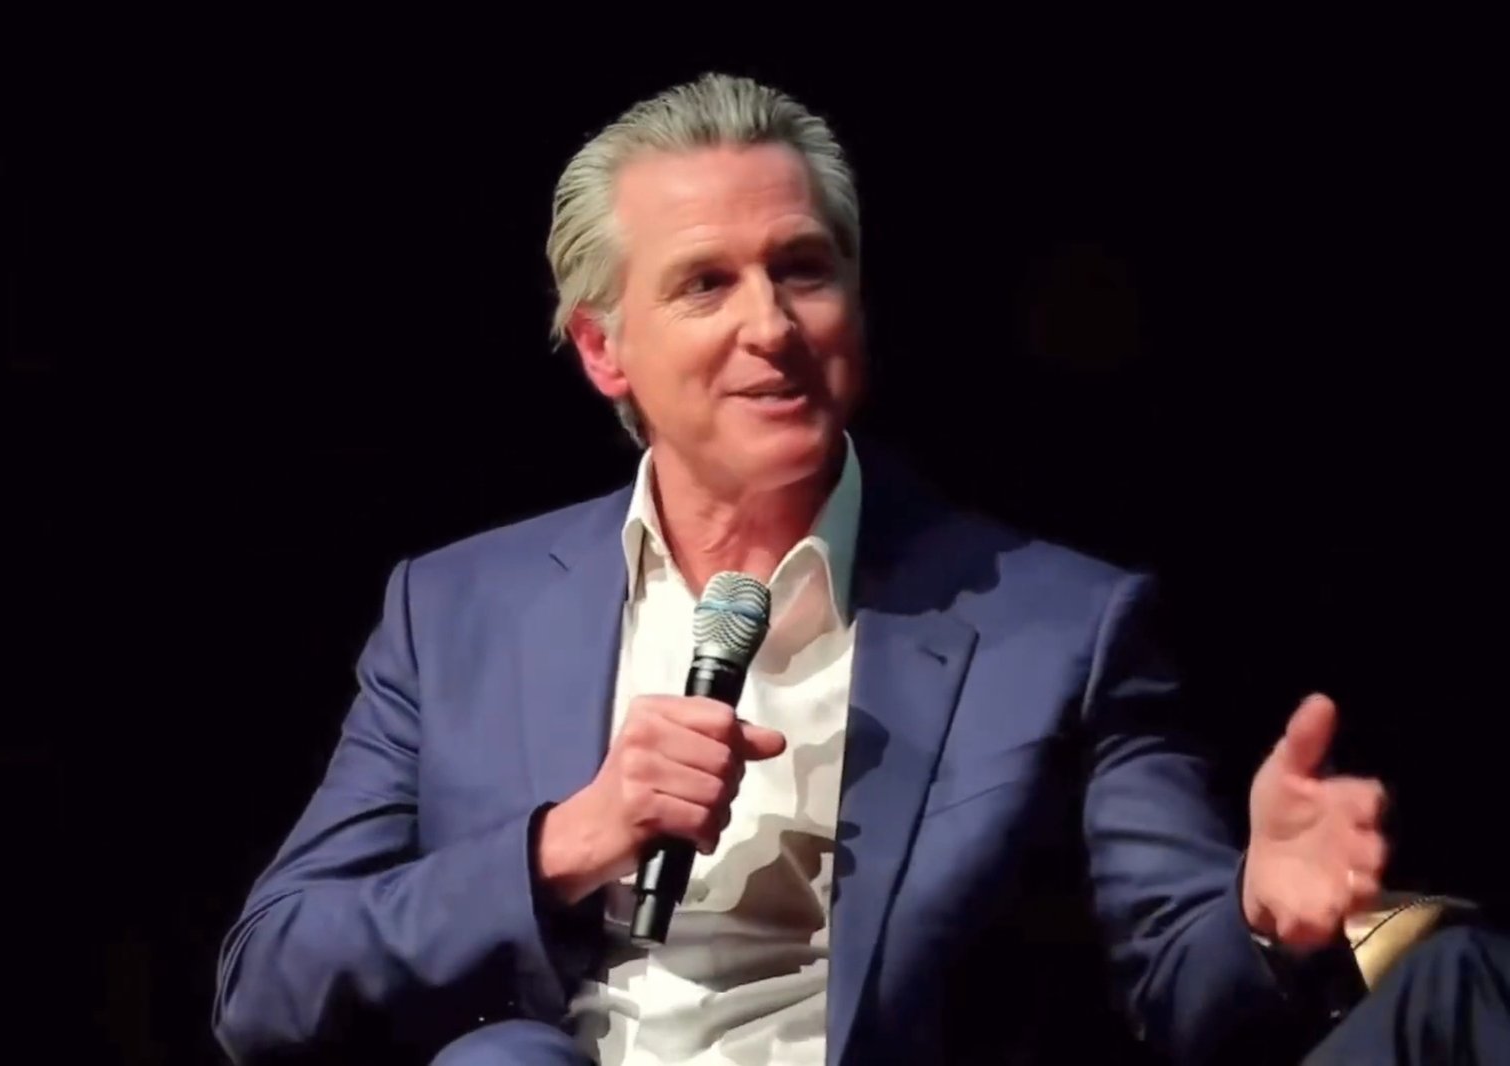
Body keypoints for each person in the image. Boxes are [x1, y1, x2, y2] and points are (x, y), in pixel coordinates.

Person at [211, 73, 1509, 1065]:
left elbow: (1184, 991)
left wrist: (1262, 918)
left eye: (804, 270)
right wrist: (565, 841)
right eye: (706, 284)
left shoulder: (1061, 622)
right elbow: (267, 982)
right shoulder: (456, 611)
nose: (771, 326)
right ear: (606, 351)